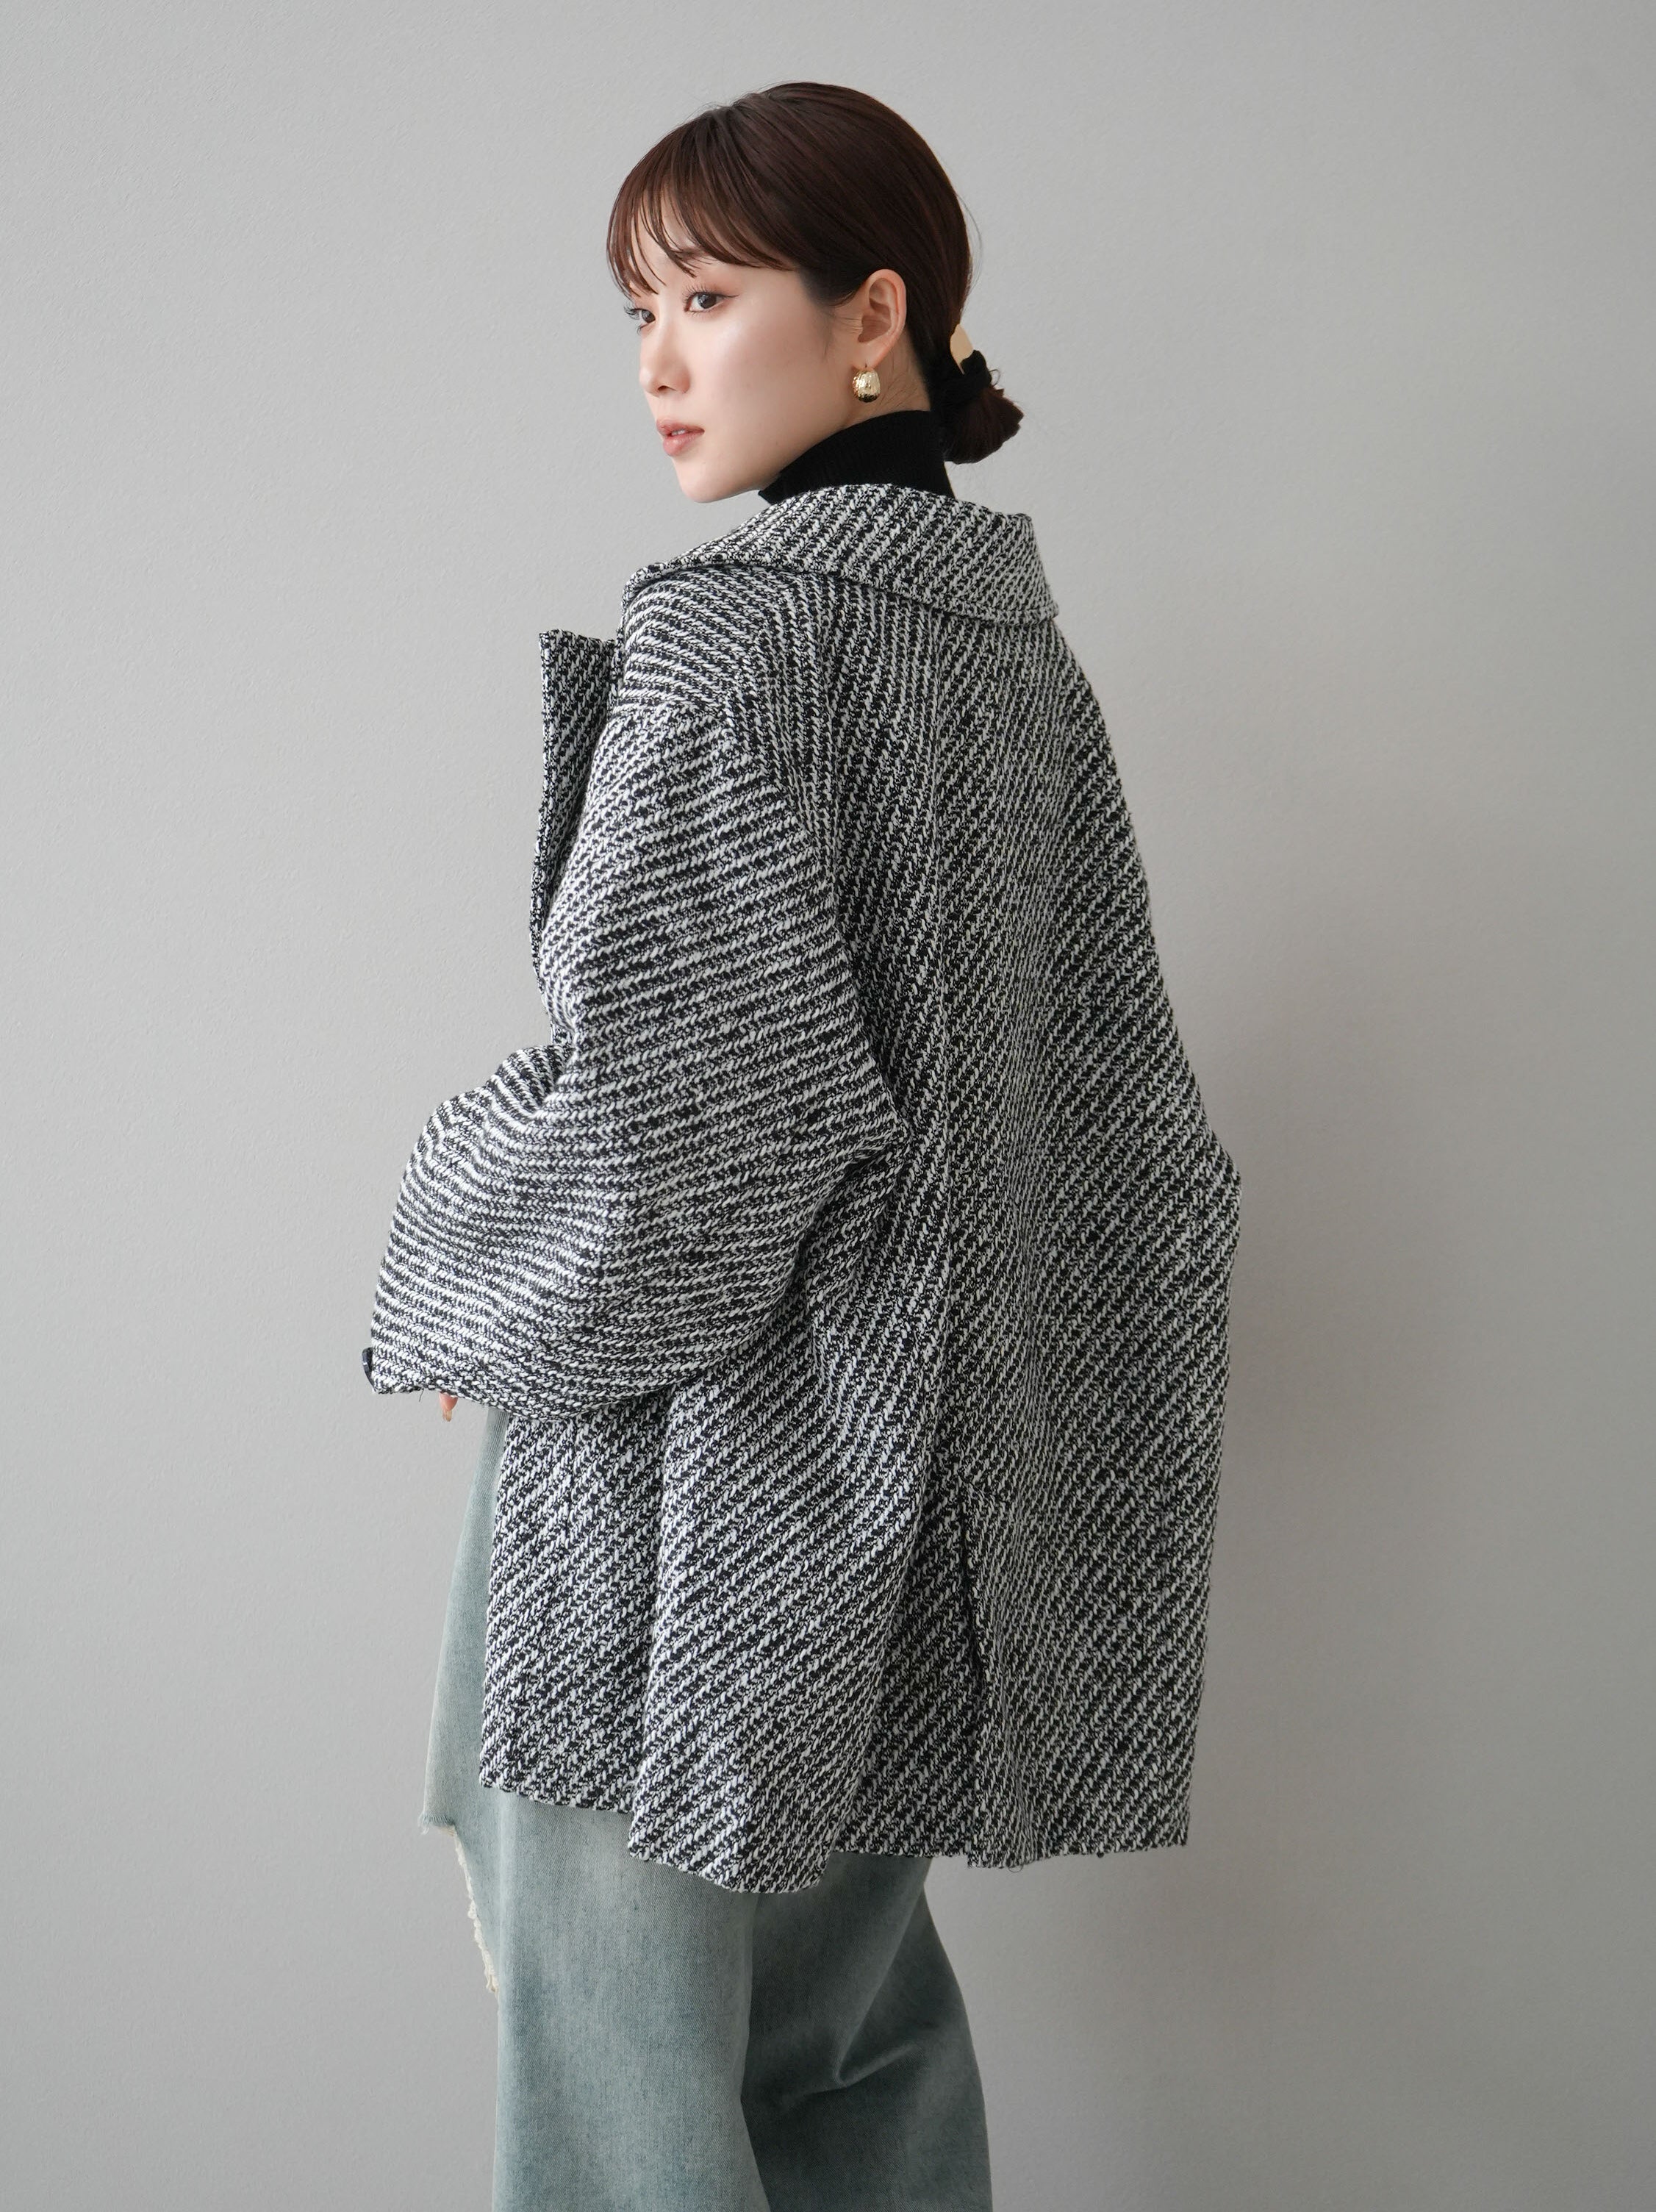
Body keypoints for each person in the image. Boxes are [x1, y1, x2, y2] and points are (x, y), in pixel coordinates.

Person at [362, 79, 1241, 2212]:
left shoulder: (739, 635)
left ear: (873, 318)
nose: (658, 361)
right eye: (640, 308)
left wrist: (478, 1282)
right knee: (839, 2045)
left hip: (687, 1496)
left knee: (623, 2061)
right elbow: (1114, 1117)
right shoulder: (1018, 660)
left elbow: (678, 1133)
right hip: (912, 1505)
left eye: (708, 297)